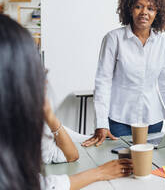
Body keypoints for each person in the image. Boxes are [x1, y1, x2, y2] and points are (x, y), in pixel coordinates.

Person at [0, 14, 132, 190]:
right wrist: (99, 173)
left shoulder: (18, 124)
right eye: (34, 70)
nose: (43, 80)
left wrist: (49, 116)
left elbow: (68, 153)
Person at [83, 0, 165, 147]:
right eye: (138, 6)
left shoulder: (163, 44)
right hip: (119, 121)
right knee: (120, 166)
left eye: (150, 8)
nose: (144, 12)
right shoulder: (113, 39)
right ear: (129, 9)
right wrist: (101, 123)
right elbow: (103, 82)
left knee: (151, 166)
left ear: (158, 13)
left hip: (153, 121)